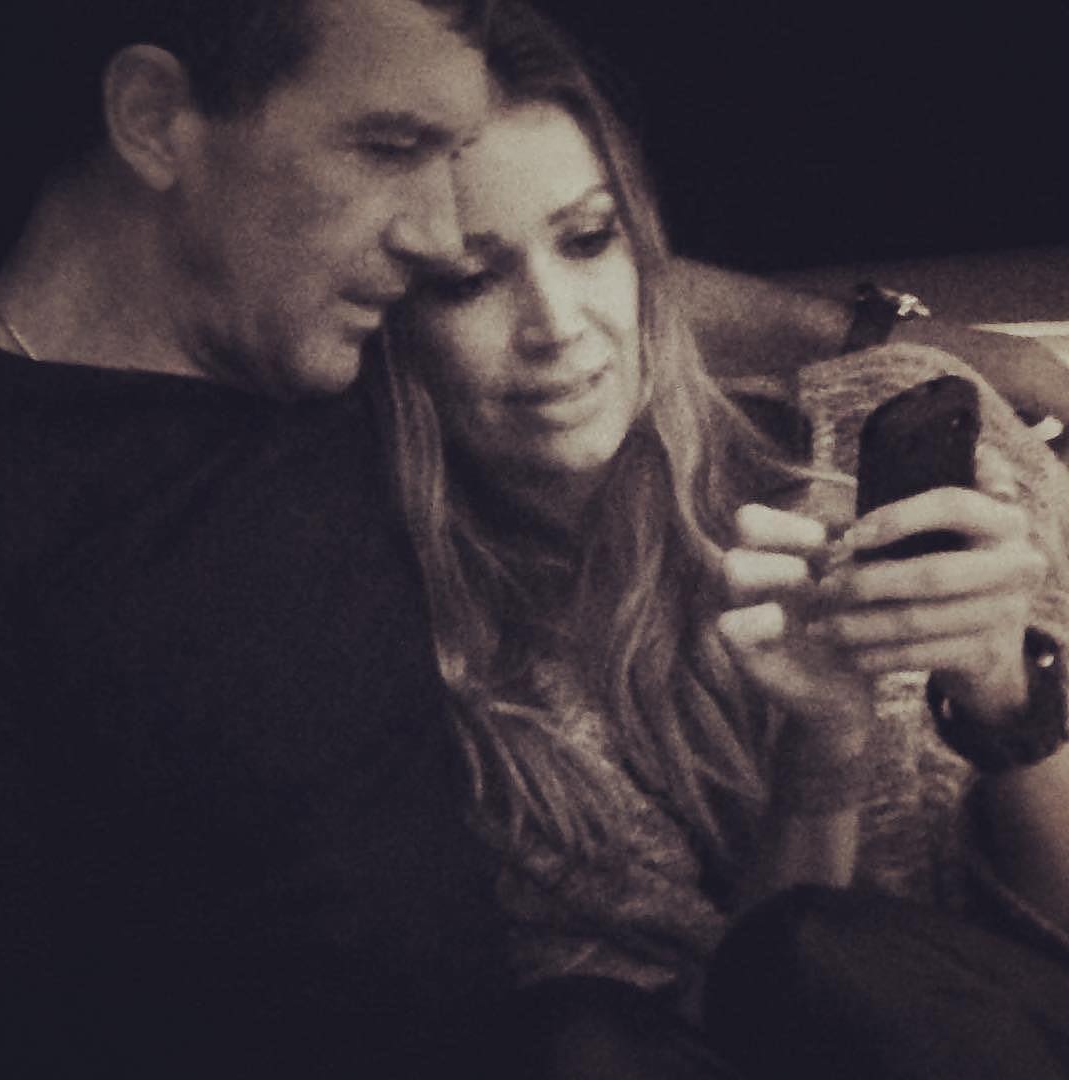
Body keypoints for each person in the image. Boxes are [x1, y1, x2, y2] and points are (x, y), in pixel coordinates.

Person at [376, 2, 1069, 1075]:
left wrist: (1005, 694)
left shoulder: (906, 423)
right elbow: (743, 1030)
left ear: (646, 252)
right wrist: (821, 755)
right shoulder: (472, 696)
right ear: (388, 322)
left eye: (588, 239)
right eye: (469, 281)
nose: (557, 324)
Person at [0, 1, 523, 1077]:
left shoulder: (336, 341)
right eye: (389, 148)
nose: (440, 235)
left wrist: (861, 329)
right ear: (153, 119)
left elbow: (631, 294)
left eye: (454, 158)